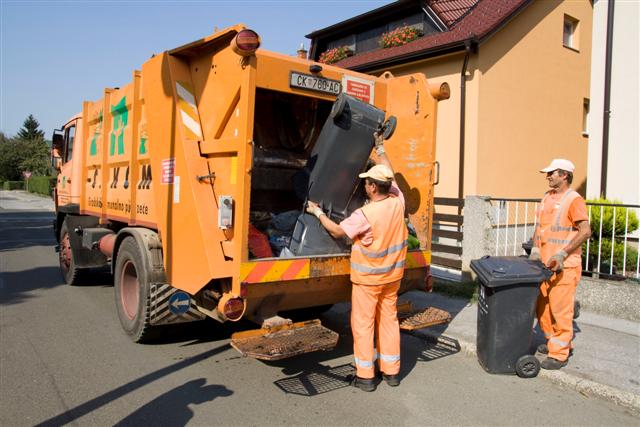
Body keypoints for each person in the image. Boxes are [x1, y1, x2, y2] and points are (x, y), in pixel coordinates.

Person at [306, 131, 407, 392]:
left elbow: (339, 231)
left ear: (373, 187)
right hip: (393, 278)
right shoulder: (398, 202)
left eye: (366, 183)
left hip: (368, 280)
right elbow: (391, 174)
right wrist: (381, 148)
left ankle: (365, 376)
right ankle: (392, 372)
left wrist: (316, 211)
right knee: (389, 321)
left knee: (363, 325)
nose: (364, 186)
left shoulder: (365, 214)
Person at [530, 159, 591, 370]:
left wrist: (563, 254)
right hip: (545, 265)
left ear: (564, 175)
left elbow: (585, 231)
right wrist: (533, 251)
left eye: (551, 173)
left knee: (561, 310)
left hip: (565, 266)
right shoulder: (547, 198)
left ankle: (560, 354)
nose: (547, 176)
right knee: (542, 308)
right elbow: (540, 229)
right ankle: (553, 342)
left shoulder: (573, 200)